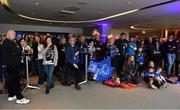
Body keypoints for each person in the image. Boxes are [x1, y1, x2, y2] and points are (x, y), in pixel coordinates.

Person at [1, 30, 30, 104]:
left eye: (14, 34)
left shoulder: (6, 42)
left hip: (8, 66)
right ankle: (20, 98)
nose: (14, 35)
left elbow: (15, 51)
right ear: (8, 34)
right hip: (11, 66)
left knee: (10, 82)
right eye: (13, 33)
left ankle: (11, 95)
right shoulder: (9, 42)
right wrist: (18, 48)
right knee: (15, 82)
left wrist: (17, 48)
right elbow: (18, 51)